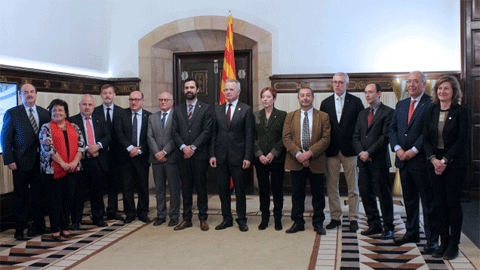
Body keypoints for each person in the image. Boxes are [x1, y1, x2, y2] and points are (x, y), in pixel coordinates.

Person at [389, 71, 438, 253]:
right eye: (408, 82)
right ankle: (412, 233)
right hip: (403, 161)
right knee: (409, 200)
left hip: (421, 160)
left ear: (423, 84)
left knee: (428, 202)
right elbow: (393, 129)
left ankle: (432, 239)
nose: (411, 85)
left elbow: (428, 132)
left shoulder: (431, 104)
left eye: (415, 82)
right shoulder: (401, 104)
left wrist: (413, 151)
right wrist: (398, 149)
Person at [424, 76, 470, 260]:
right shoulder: (431, 110)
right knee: (439, 204)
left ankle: (454, 244)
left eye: (446, 89)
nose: (442, 91)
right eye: (440, 88)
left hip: (454, 164)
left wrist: (444, 160)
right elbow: (426, 138)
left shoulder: (461, 111)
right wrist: (434, 159)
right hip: (434, 164)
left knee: (452, 204)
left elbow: (461, 140)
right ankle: (443, 242)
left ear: (454, 92)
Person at [1, 84, 50, 239]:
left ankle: (39, 225)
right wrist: (9, 160)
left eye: (31, 92)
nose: (29, 95)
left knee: (38, 195)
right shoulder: (12, 113)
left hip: (40, 162)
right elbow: (5, 138)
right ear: (20, 95)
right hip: (20, 162)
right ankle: (20, 229)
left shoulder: (44, 113)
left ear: (36, 94)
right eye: (25, 92)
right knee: (20, 197)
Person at [283, 87, 331, 235]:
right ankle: (298, 222)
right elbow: (286, 138)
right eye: (302, 95)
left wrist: (309, 153)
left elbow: (326, 138)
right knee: (297, 194)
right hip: (295, 161)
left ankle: (318, 223)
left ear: (313, 97)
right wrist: (299, 154)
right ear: (298, 98)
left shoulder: (323, 116)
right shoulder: (290, 116)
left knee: (318, 194)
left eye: (308, 95)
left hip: (316, 161)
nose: (305, 98)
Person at [320, 72, 364, 232]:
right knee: (332, 186)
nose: (337, 85)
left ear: (347, 84)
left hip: (350, 150)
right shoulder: (325, 103)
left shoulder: (356, 102)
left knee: (353, 187)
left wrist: (360, 147)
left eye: (340, 82)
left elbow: (361, 126)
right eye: (335, 82)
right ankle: (335, 217)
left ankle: (353, 218)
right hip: (331, 150)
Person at [210, 79, 254, 232]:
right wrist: (212, 155)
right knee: (223, 190)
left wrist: (248, 157)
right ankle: (226, 218)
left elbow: (249, 136)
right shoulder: (217, 109)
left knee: (240, 190)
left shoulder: (246, 110)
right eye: (226, 89)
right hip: (221, 157)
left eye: (231, 89)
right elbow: (213, 134)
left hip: (239, 157)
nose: (228, 92)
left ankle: (242, 219)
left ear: (238, 92)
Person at [353, 83, 394, 239]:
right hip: (363, 161)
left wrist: (369, 152)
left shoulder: (389, 112)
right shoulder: (362, 113)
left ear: (379, 93)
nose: (368, 95)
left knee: (384, 195)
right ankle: (374, 224)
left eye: (370, 92)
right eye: (366, 93)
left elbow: (386, 137)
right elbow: (356, 136)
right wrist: (361, 153)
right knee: (366, 193)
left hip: (379, 161)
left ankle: (388, 227)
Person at [39, 99, 85, 239]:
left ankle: (65, 227)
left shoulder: (75, 127)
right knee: (55, 201)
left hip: (72, 169)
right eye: (54, 110)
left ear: (65, 113)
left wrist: (73, 163)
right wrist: (63, 164)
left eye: (60, 110)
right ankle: (55, 229)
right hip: (53, 170)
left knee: (68, 199)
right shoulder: (46, 128)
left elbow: (81, 146)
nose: (57, 113)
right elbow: (47, 148)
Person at [172, 78, 213, 231]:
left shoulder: (206, 108)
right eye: (186, 87)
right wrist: (184, 147)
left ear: (197, 90)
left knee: (201, 188)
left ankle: (203, 218)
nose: (189, 90)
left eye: (192, 87)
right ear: (184, 90)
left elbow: (207, 131)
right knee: (186, 188)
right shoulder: (177, 109)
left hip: (200, 155)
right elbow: (174, 131)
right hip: (183, 156)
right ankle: (187, 219)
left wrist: (193, 147)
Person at [69, 94, 111, 229]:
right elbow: (70, 140)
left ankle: (98, 218)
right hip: (79, 161)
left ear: (93, 106)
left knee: (97, 192)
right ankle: (76, 221)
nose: (87, 107)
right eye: (84, 104)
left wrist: (97, 146)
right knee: (77, 193)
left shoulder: (100, 119)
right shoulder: (72, 121)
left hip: (96, 161)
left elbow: (107, 136)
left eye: (90, 105)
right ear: (80, 105)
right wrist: (87, 148)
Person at [115, 91, 152, 224]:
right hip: (126, 156)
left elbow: (151, 137)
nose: (133, 102)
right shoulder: (121, 114)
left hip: (142, 157)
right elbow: (119, 133)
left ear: (142, 100)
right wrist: (130, 148)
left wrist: (140, 150)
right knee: (127, 186)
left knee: (143, 186)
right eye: (131, 99)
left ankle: (143, 213)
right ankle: (129, 213)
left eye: (136, 99)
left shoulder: (149, 116)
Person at [253, 87, 287, 231]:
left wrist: (273, 153)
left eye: (268, 97)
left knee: (277, 189)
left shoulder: (282, 115)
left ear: (274, 98)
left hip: (276, 159)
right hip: (260, 159)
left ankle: (278, 218)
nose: (265, 99)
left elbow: (284, 137)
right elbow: (252, 137)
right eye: (263, 97)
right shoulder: (255, 115)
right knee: (263, 189)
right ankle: (265, 218)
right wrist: (259, 154)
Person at [147, 92, 181, 228]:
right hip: (156, 160)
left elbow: (176, 137)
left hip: (171, 158)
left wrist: (164, 151)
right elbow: (149, 136)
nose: (163, 102)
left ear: (172, 102)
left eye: (166, 100)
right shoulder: (152, 117)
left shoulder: (177, 116)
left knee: (174, 189)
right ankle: (161, 215)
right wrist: (157, 153)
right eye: (160, 100)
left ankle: (174, 215)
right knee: (159, 188)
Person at [93, 84, 124, 221]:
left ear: (114, 95)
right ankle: (99, 212)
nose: (107, 95)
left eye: (110, 93)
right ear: (101, 95)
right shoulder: (94, 111)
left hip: (117, 153)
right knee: (99, 184)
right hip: (99, 153)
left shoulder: (121, 112)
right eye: (105, 93)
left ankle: (112, 210)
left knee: (114, 184)